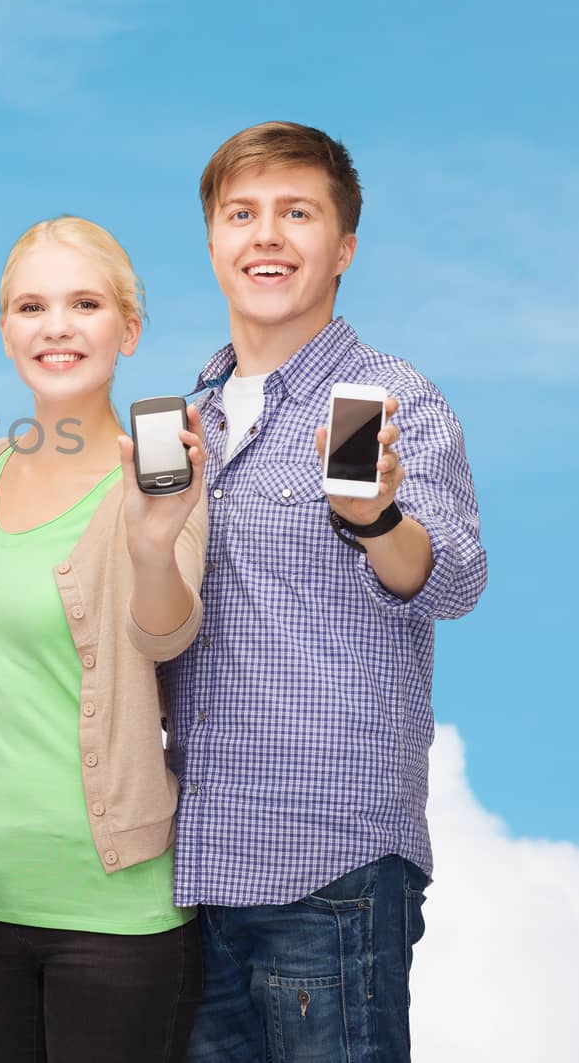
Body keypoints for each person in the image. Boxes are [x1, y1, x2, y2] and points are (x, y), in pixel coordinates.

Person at [165, 122, 488, 1061]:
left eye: (296, 213)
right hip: (193, 869)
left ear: (343, 247)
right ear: (215, 240)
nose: (266, 236)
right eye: (242, 214)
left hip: (331, 864)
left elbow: (455, 576)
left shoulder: (391, 399)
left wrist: (377, 516)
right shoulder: (186, 418)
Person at [0, 216, 207, 1063]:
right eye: (31, 305)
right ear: (6, 329)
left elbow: (169, 636)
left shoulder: (163, 479)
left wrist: (154, 543)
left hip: (114, 913)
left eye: (84, 303)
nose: (56, 326)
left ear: (129, 327)